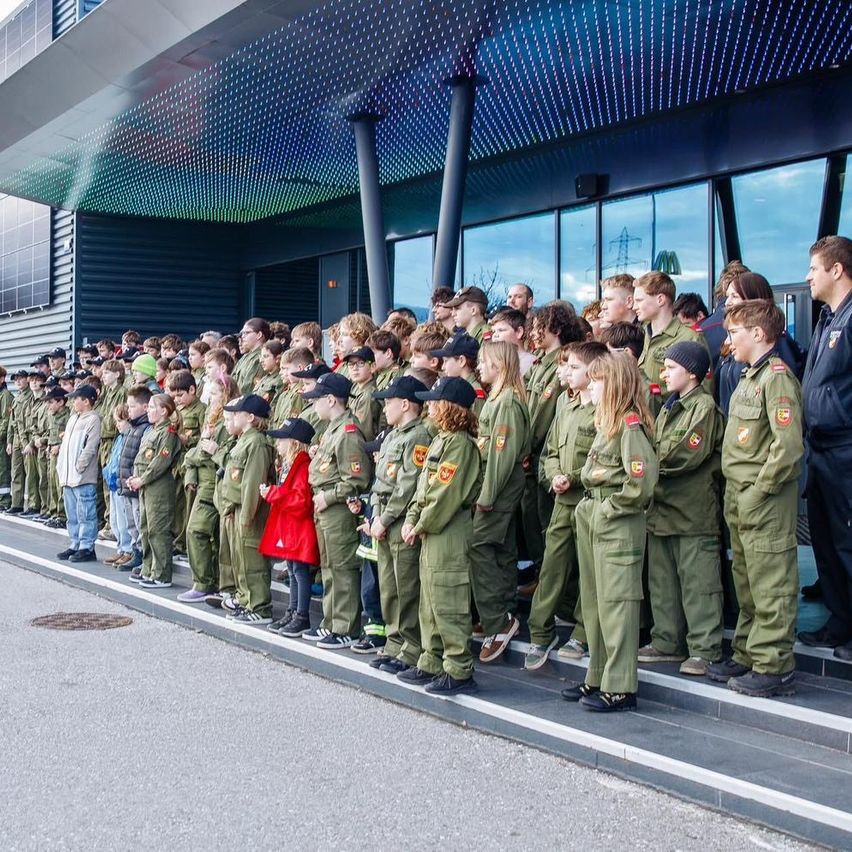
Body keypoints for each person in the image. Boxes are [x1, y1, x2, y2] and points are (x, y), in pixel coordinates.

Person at [708, 300, 803, 697]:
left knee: (771, 583)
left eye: (734, 333)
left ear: (759, 335)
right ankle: (748, 651)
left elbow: (788, 446)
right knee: (747, 582)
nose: (728, 340)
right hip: (740, 495)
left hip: (762, 498)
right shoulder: (750, 377)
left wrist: (761, 490)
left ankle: (773, 664)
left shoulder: (776, 378)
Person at [562, 353, 658, 712]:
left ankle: (620, 685)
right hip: (594, 513)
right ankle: (598, 675)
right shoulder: (608, 424)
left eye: (599, 380)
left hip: (615, 518)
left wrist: (609, 509)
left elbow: (641, 482)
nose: (592, 385)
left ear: (615, 385)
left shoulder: (629, 425)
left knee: (617, 605)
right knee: (595, 603)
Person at [642, 341, 725, 676]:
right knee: (663, 583)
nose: (664, 373)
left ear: (692, 373)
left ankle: (705, 649)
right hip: (663, 509)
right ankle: (667, 641)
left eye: (671, 368)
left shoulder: (703, 408)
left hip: (692, 512)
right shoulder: (669, 407)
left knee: (698, 584)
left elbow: (685, 455)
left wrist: (645, 465)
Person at [525, 341, 607, 669]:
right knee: (552, 567)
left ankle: (583, 632)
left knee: (589, 572)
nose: (567, 373)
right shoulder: (564, 403)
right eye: (566, 367)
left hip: (589, 500)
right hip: (562, 500)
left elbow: (602, 457)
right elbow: (551, 451)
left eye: (574, 368)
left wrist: (572, 476)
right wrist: (555, 475)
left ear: (595, 370)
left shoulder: (604, 407)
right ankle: (540, 633)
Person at [400, 377, 483, 695]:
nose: (429, 406)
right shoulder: (441, 440)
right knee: (430, 601)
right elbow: (424, 490)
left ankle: (458, 668)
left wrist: (419, 524)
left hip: (447, 529)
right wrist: (412, 518)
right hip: (432, 528)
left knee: (448, 600)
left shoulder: (460, 445)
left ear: (450, 407)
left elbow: (444, 495)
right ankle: (432, 660)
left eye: (435, 401)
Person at [798, 236, 852, 658]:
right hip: (820, 449)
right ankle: (840, 620)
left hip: (845, 448)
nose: (807, 277)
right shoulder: (827, 319)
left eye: (813, 269)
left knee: (847, 540)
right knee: (825, 540)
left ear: (837, 270)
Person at [362, 376, 432, 673]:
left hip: (400, 519)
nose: (385, 407)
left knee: (406, 588)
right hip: (384, 519)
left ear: (406, 404)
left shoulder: (417, 436)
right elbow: (380, 482)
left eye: (389, 401)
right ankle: (394, 642)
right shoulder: (391, 435)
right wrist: (376, 515)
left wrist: (386, 518)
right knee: (389, 587)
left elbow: (407, 485)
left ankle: (411, 647)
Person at [471, 341, 531, 663]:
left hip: (498, 488)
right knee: (503, 549)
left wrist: (487, 497)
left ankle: (498, 621)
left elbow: (500, 457)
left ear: (499, 365)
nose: (479, 366)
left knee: (478, 546)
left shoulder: (506, 402)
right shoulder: (498, 398)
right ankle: (504, 611)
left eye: (484, 361)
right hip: (496, 486)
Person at [303, 372, 372, 648]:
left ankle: (346, 627)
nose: (313, 405)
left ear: (331, 400)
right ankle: (331, 621)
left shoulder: (348, 432)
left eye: (316, 399)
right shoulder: (332, 429)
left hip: (338, 510)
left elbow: (357, 479)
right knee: (330, 566)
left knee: (342, 567)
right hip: (324, 508)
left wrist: (329, 497)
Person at [522, 302, 582, 573]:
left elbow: (543, 417)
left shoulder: (559, 366)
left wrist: (525, 449)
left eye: (539, 327)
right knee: (533, 524)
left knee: (547, 526)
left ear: (556, 328)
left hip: (545, 458)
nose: (533, 333)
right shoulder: (539, 364)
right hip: (533, 459)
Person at [178, 377, 239, 603]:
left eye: (213, 393)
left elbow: (206, 453)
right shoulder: (211, 417)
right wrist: (191, 471)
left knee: (198, 531)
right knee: (207, 534)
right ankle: (207, 582)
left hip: (214, 482)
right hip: (203, 481)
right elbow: (195, 453)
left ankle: (205, 583)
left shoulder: (227, 422)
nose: (209, 398)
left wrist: (194, 456)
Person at [219, 394, 276, 624]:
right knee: (240, 559)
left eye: (237, 413)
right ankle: (245, 600)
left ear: (251, 417)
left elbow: (252, 482)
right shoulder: (244, 439)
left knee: (252, 561)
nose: (233, 416)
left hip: (247, 510)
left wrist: (247, 516)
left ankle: (260, 606)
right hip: (235, 507)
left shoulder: (257, 443)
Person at [716, 271, 806, 414]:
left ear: (753, 299)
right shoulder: (735, 341)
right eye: (727, 296)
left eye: (734, 296)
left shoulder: (777, 344)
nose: (727, 302)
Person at [260, 417, 319, 636]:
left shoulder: (302, 465)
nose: (278, 444)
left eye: (281, 440)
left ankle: (301, 615)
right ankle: (293, 611)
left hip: (300, 527)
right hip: (292, 525)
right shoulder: (291, 464)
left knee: (299, 571)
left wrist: (274, 493)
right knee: (293, 569)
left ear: (293, 442)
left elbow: (301, 501)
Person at [126, 393, 183, 588]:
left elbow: (161, 461)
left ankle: (161, 574)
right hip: (145, 485)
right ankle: (148, 568)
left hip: (157, 486)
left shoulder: (167, 432)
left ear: (164, 411)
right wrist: (135, 477)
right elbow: (141, 458)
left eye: (152, 407)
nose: (148, 410)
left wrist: (142, 479)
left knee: (158, 530)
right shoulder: (151, 431)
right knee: (146, 528)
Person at [633, 271, 708, 411]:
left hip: (672, 422)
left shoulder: (689, 338)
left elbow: (703, 395)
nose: (634, 307)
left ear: (660, 299)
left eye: (639, 300)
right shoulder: (641, 335)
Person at [55, 384, 102, 563]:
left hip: (82, 477)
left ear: (87, 401)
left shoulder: (93, 419)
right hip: (68, 476)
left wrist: (79, 466)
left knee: (86, 514)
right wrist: (62, 467)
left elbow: (90, 447)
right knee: (72, 514)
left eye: (77, 398)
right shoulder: (73, 418)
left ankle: (87, 547)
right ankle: (75, 543)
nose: (73, 401)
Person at [117, 386, 152, 573]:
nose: (128, 410)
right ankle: (135, 551)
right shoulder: (133, 427)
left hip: (135, 481)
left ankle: (143, 555)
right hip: (126, 482)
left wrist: (134, 478)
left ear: (145, 407)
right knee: (131, 521)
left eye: (132, 406)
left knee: (139, 521)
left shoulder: (146, 428)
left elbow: (141, 458)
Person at [96, 359, 128, 540]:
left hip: (114, 439)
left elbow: (119, 419)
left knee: (112, 483)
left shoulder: (121, 393)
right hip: (104, 441)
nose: (103, 375)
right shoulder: (107, 393)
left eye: (107, 372)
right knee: (106, 483)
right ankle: (109, 522)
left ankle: (112, 525)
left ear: (117, 374)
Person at [102, 404, 134, 567]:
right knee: (116, 519)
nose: (117, 425)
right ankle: (121, 548)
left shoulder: (130, 436)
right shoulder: (120, 437)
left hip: (122, 483)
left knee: (124, 520)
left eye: (120, 421)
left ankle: (129, 550)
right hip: (114, 483)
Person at [430, 332, 486, 415]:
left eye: (446, 361)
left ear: (461, 361)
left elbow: (477, 425)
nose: (442, 367)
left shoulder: (475, 393)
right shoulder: (456, 387)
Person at [4, 370, 31, 514]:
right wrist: (9, 441)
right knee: (16, 472)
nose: (18, 382)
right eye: (16, 380)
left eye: (21, 379)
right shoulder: (16, 398)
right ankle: (16, 503)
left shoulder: (30, 396)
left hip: (26, 438)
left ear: (27, 379)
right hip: (16, 440)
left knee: (31, 474)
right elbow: (11, 423)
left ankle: (34, 505)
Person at [44, 386, 70, 529]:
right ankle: (54, 512)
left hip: (61, 453)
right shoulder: (51, 415)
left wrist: (59, 446)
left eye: (51, 401)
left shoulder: (68, 416)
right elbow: (51, 433)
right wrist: (48, 444)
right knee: (52, 483)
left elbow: (69, 435)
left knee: (60, 485)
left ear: (60, 402)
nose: (49, 405)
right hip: (52, 453)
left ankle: (62, 514)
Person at [344, 346, 381, 441]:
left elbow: (364, 432)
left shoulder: (369, 395)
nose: (355, 368)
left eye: (361, 363)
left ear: (372, 367)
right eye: (351, 364)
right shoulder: (355, 386)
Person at [488, 307, 537, 375]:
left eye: (501, 330)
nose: (495, 335)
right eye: (493, 331)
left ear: (519, 332)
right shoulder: (495, 362)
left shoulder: (529, 362)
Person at [233, 317, 270, 393]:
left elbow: (248, 388)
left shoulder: (260, 357)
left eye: (246, 333)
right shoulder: (245, 356)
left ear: (259, 335)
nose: (242, 336)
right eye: (242, 333)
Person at [255, 339, 284, 404]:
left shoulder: (280, 380)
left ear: (277, 358)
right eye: (261, 357)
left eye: (265, 356)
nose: (261, 361)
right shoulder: (264, 378)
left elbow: (274, 406)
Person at [0, 366, 11, 510]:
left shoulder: (5, 395)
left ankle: (4, 501)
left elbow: (5, 420)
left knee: (2, 471)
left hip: (1, 441)